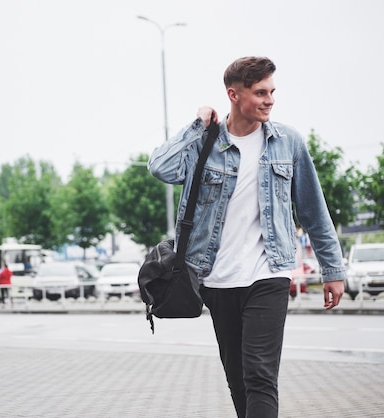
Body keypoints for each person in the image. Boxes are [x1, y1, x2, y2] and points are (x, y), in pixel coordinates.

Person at [148, 56, 346, 418]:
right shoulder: (205, 142)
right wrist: (197, 124)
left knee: (259, 374)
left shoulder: (288, 143)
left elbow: (314, 211)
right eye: (260, 92)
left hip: (270, 272)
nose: (269, 100)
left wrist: (332, 268)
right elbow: (160, 167)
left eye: (272, 91)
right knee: (238, 378)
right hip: (216, 276)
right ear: (233, 95)